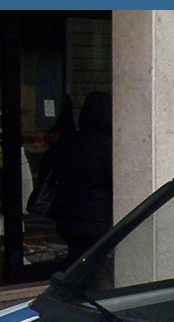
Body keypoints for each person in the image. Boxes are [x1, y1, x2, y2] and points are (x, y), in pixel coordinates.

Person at [45, 91, 113, 270]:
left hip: (66, 212)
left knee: (77, 259)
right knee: (93, 264)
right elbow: (115, 179)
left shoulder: (67, 141)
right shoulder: (108, 146)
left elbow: (47, 168)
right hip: (96, 216)